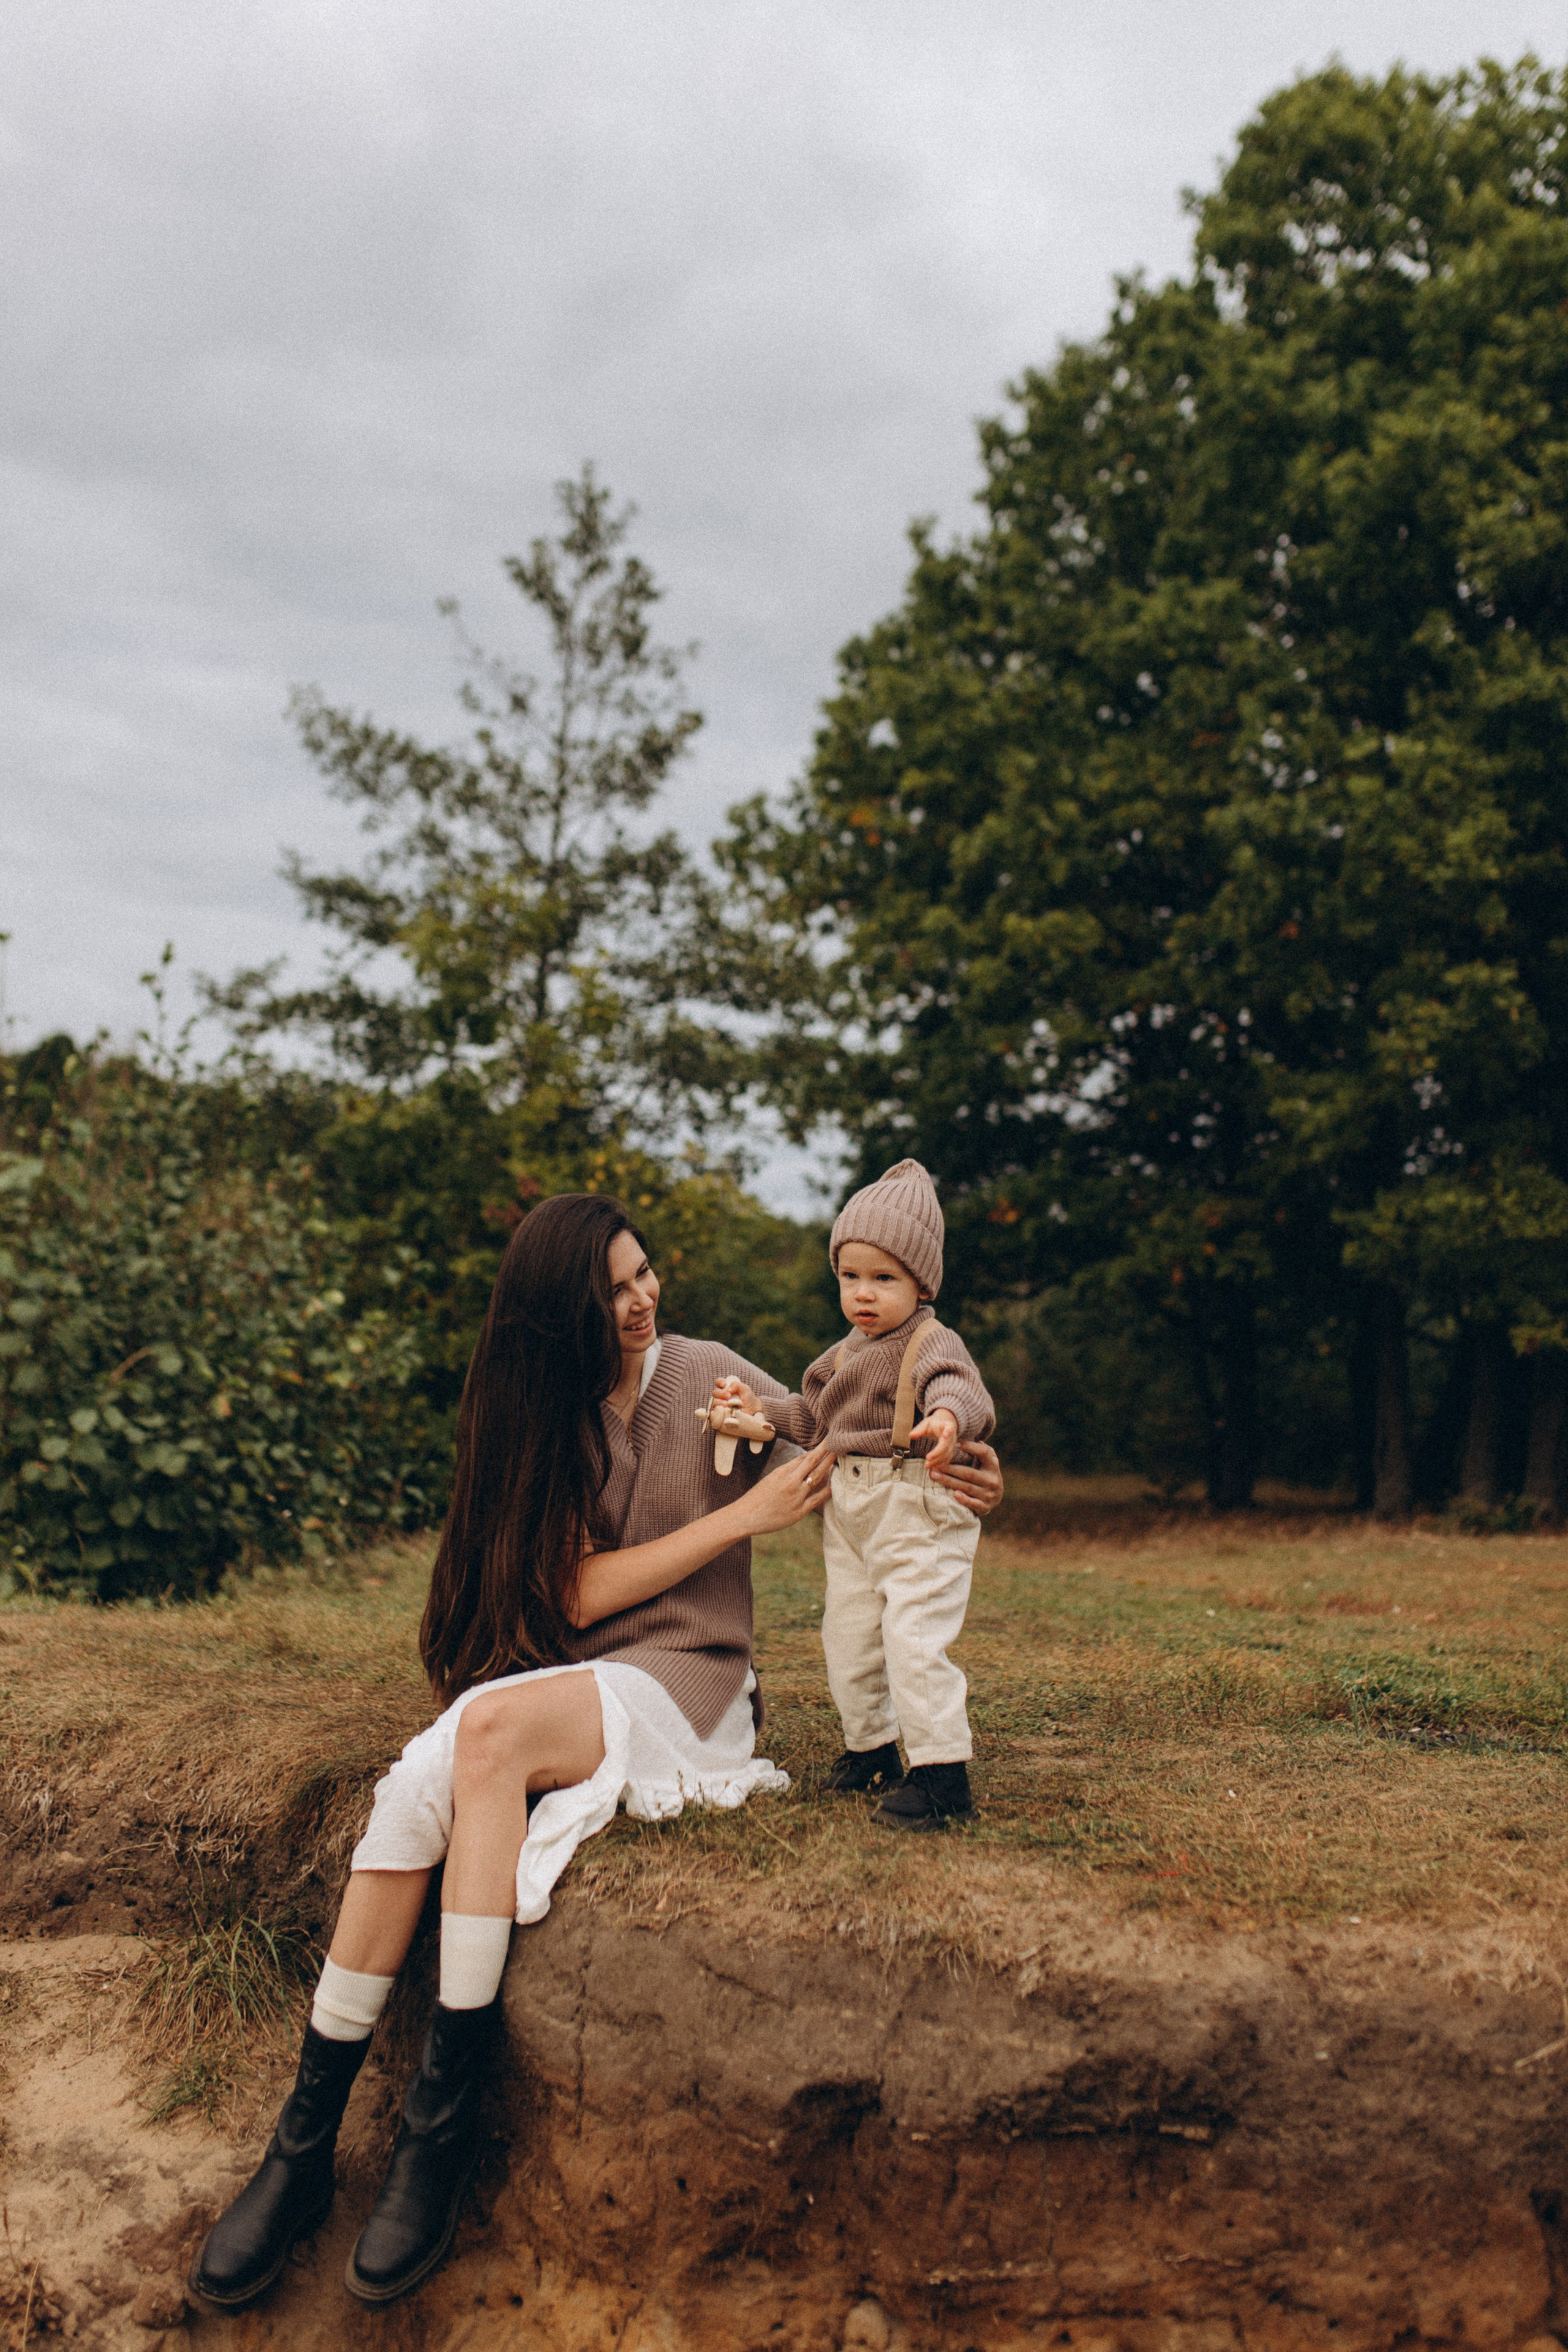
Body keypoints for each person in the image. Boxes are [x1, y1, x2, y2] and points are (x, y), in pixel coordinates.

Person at [190, 1189, 1002, 2315]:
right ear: (558, 1312)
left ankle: (442, 2126)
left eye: (644, 1273)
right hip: (576, 1677)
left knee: (488, 1731)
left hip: (695, 1681)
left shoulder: (710, 1371)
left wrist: (959, 1469)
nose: (639, 1300)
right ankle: (302, 2140)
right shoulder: (548, 1414)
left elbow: (854, 1419)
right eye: (610, 1289)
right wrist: (741, 1519)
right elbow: (570, 1594)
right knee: (419, 1788)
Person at [710, 1160, 993, 1832]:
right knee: (849, 1634)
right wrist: (762, 1411)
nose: (863, 1294)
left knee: (913, 1635)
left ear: (921, 1282)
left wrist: (947, 1420)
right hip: (853, 1511)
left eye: (883, 1278)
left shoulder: (929, 1342)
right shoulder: (841, 1356)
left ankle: (942, 1777)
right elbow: (814, 1423)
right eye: (850, 1276)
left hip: (916, 1504)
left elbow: (961, 1387)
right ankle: (870, 1750)